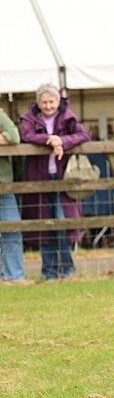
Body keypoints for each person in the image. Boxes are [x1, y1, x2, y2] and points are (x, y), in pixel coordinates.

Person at [19, 84, 92, 280]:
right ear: (38, 102)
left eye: (51, 102)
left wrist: (62, 141)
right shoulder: (29, 118)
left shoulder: (67, 116)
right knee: (45, 224)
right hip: (39, 177)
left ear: (58, 101)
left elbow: (84, 134)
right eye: (44, 102)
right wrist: (49, 139)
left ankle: (66, 269)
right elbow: (26, 135)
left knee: (63, 221)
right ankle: (49, 271)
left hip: (63, 177)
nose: (48, 106)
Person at [0, 105, 27, 283]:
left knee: (12, 228)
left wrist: (6, 136)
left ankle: (13, 276)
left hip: (3, 185)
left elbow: (14, 136)